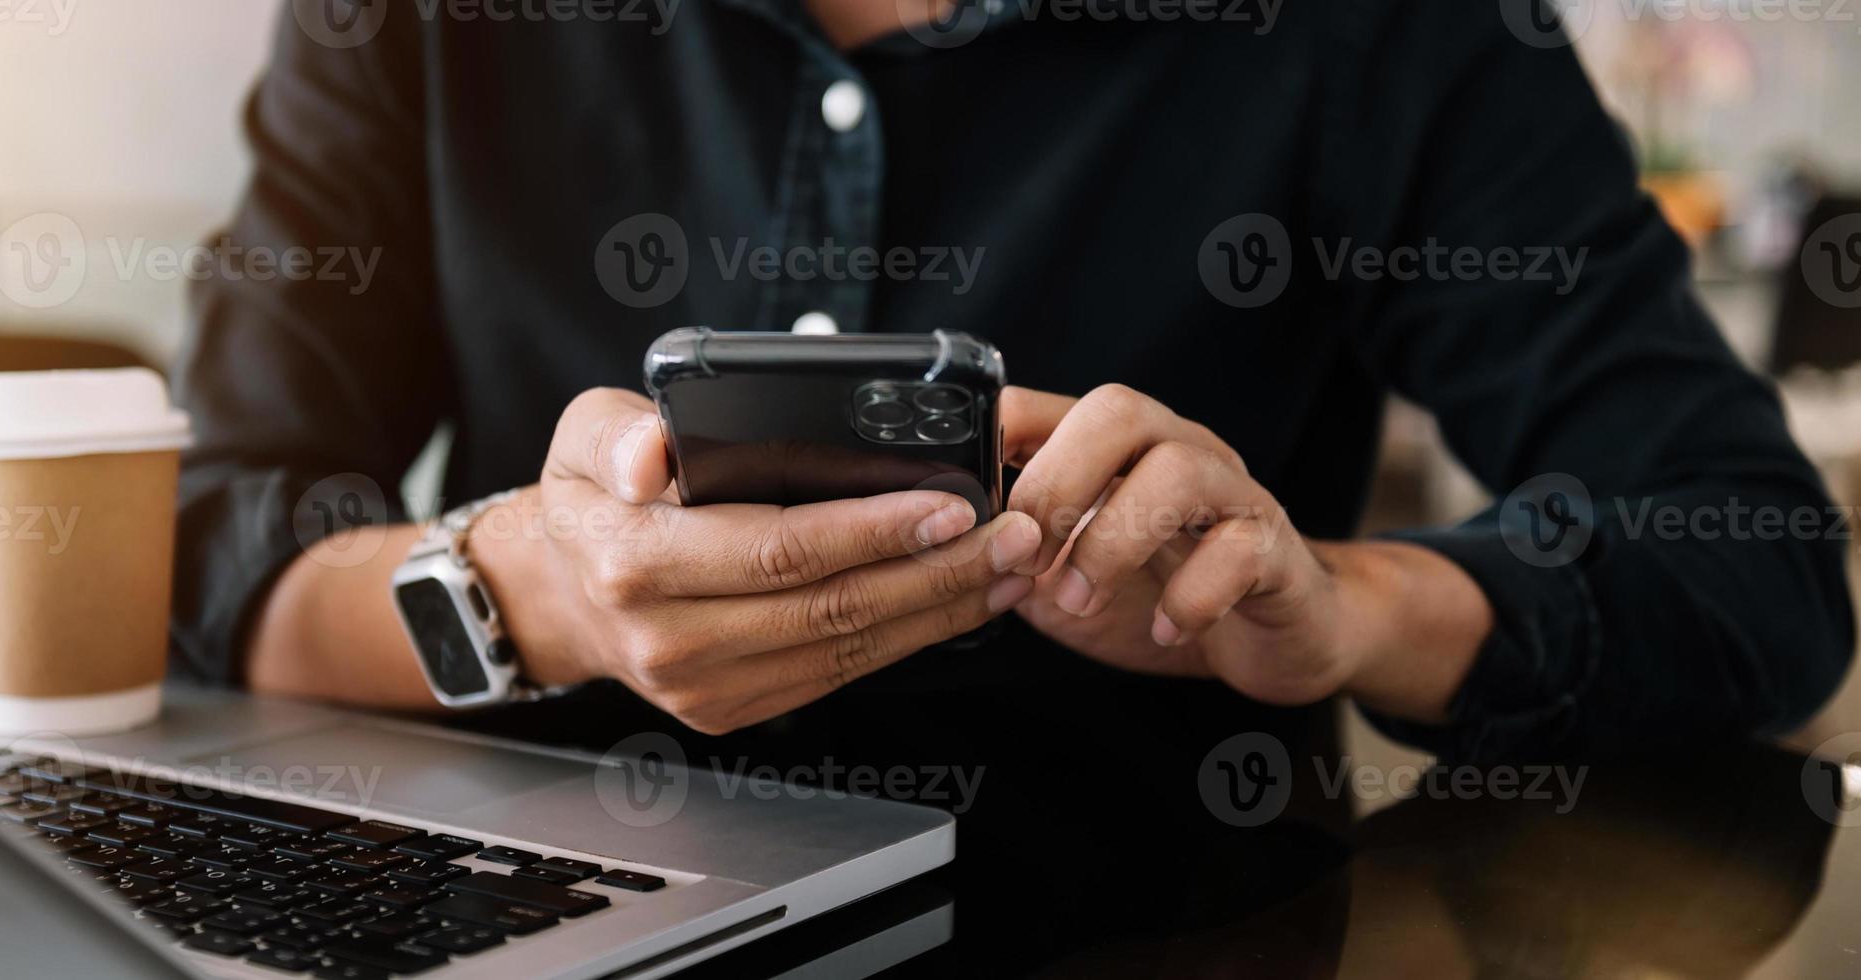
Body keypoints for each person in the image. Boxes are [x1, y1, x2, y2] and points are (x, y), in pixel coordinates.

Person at [173, 0, 1852, 879]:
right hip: (536, 926)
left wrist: (1337, 607)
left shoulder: (1379, 29)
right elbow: (199, 546)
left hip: (1169, 934)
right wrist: (518, 589)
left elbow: (1752, 563)